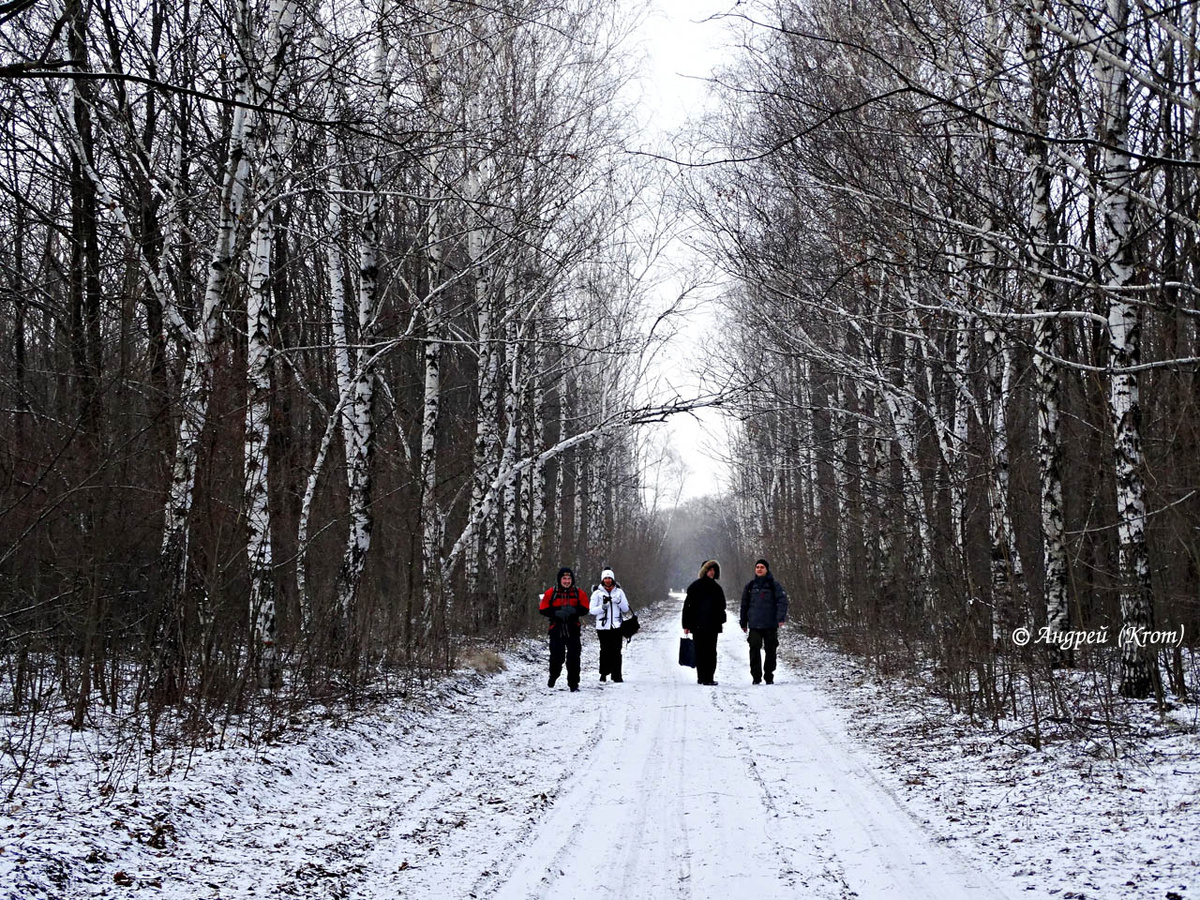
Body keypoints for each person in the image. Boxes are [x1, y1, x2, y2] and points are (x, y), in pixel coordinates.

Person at [539, 566, 591, 692]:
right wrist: (556, 612)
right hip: (556, 629)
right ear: (560, 580)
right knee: (557, 658)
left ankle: (573, 684)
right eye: (564, 579)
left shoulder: (579, 593)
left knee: (574, 658)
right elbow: (543, 609)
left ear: (572, 580)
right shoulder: (551, 592)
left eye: (569, 579)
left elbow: (585, 608)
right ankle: (553, 676)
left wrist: (574, 611)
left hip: (573, 629)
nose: (567, 581)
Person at [740, 558, 788, 684]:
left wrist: (780, 618)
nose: (759, 569)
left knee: (770, 650)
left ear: (766, 569)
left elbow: (782, 601)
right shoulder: (750, 586)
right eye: (757, 567)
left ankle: (769, 675)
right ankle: (756, 677)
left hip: (770, 624)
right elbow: (744, 605)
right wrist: (743, 622)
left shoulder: (774, 585)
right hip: (754, 624)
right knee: (754, 650)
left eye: (762, 567)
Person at [681, 559, 727, 686]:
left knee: (711, 652)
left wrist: (720, 619)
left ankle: (708, 677)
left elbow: (722, 606)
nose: (712, 572)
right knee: (700, 651)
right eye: (709, 570)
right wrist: (686, 625)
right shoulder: (695, 587)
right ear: (704, 571)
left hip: (712, 626)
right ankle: (702, 677)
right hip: (698, 625)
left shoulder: (717, 588)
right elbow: (687, 607)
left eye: (713, 570)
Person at [590, 568, 632, 683]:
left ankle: (617, 675)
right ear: (602, 580)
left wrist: (618, 601)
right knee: (604, 650)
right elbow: (591, 610)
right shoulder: (597, 593)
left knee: (617, 651)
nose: (608, 580)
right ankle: (603, 673)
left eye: (609, 578)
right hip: (602, 627)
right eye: (605, 578)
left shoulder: (619, 592)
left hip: (616, 626)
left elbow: (626, 608)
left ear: (613, 579)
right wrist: (602, 608)